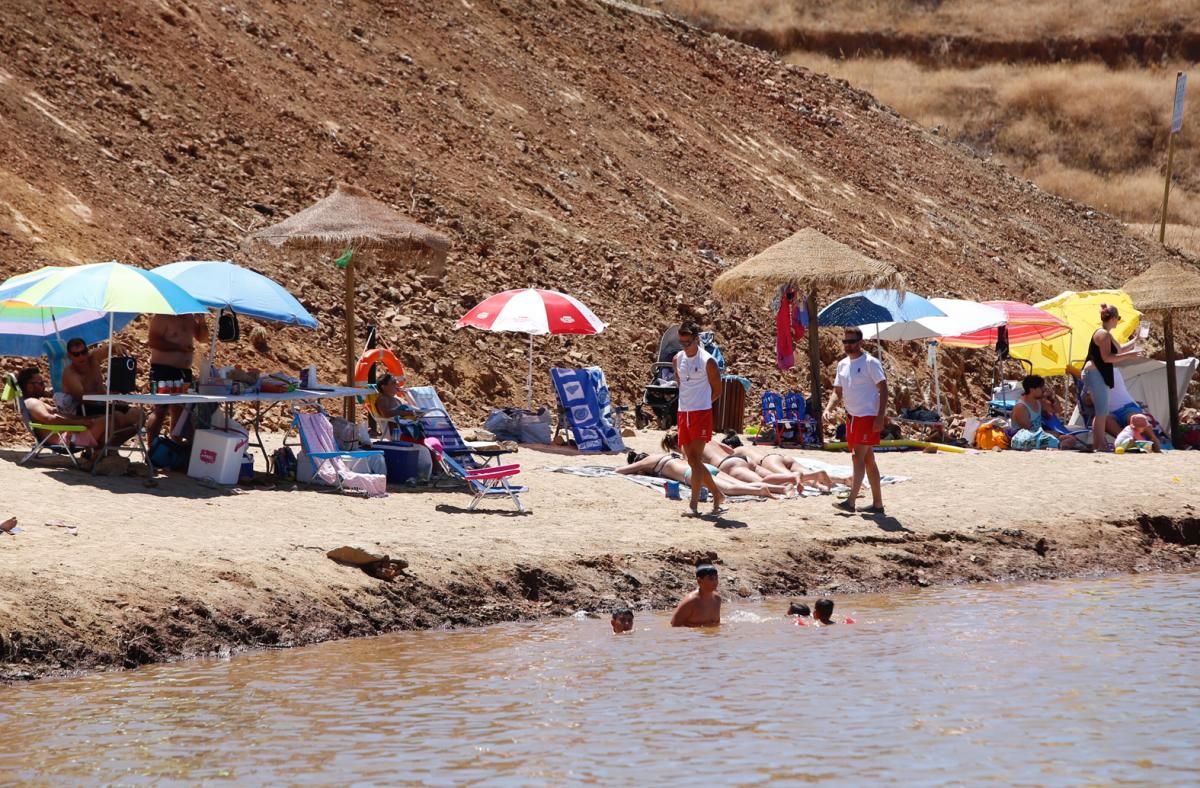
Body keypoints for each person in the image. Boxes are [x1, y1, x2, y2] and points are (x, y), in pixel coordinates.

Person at [824, 327, 888, 514]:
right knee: (868, 459)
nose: (848, 345)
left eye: (851, 342)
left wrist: (880, 416)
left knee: (857, 456)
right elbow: (838, 391)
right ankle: (877, 504)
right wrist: (829, 408)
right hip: (852, 417)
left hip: (867, 415)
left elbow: (883, 388)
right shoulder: (842, 365)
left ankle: (851, 501)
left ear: (860, 342)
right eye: (845, 342)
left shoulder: (870, 362)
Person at [673, 321, 726, 517]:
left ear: (697, 340)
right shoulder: (677, 359)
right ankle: (717, 494)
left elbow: (717, 390)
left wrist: (701, 403)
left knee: (695, 459)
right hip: (683, 412)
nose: (685, 347)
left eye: (688, 343)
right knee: (691, 461)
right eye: (682, 343)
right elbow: (681, 383)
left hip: (700, 413)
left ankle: (693, 505)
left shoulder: (707, 361)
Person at [16, 367, 136, 449]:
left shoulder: (36, 402)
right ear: (29, 386)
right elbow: (49, 419)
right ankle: (101, 453)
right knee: (112, 419)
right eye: (41, 383)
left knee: (117, 418)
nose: (44, 386)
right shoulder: (31, 402)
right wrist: (79, 422)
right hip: (66, 438)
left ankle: (103, 452)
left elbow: (59, 415)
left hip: (70, 432)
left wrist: (89, 418)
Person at [1083, 304, 1143, 451]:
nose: (1118, 321)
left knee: (1102, 411)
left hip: (1097, 373)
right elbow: (1107, 358)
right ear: (1114, 318)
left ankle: (1100, 444)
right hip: (1095, 373)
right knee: (1102, 411)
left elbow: (1120, 349)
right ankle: (1099, 445)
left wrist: (1137, 339)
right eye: (1119, 318)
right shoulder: (1103, 334)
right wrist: (1130, 356)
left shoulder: (1106, 334)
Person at [616, 452, 793, 499]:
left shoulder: (649, 462)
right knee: (734, 483)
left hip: (690, 473)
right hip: (704, 466)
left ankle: (760, 491)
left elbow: (619, 471)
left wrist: (635, 469)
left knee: (730, 489)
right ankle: (780, 488)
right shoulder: (667, 456)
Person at [145, 313, 209, 442]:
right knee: (160, 410)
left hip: (184, 372)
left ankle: (175, 446)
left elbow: (203, 339)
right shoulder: (162, 316)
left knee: (180, 411)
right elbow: (153, 341)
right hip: (163, 370)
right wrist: (178, 347)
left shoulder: (190, 317)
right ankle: (152, 448)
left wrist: (202, 321)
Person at [60, 337, 142, 432]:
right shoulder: (70, 373)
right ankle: (107, 444)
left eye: (84, 352)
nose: (81, 357)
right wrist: (107, 395)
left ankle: (112, 443)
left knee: (138, 414)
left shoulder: (92, 358)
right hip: (80, 411)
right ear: (69, 356)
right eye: (76, 354)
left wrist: (115, 347)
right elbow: (82, 398)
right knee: (119, 417)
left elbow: (107, 350)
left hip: (100, 405)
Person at [1010, 375, 1060, 450]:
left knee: (1069, 439)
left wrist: (1052, 397)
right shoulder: (1021, 407)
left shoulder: (1039, 401)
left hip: (1038, 435)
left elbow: (1057, 410)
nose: (1043, 390)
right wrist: (1049, 433)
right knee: (1061, 440)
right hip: (1024, 437)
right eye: (1041, 387)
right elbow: (1028, 429)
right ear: (1032, 389)